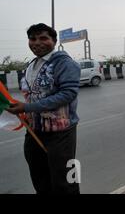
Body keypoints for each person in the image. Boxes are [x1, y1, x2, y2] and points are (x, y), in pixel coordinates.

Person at [7, 23, 81, 194]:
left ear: (54, 41)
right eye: (32, 39)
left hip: (61, 132)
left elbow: (67, 94)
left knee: (65, 181)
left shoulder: (64, 62)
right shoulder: (32, 64)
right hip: (34, 130)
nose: (37, 42)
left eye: (43, 38)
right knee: (40, 177)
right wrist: (25, 111)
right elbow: (33, 94)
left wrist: (27, 107)